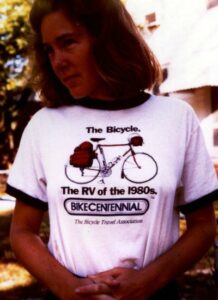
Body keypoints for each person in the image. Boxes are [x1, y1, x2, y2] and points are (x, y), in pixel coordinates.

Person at [7, 0, 218, 299]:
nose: (58, 61)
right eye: (49, 50)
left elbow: (203, 227)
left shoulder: (176, 118)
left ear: (107, 39)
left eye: (67, 43)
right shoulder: (44, 124)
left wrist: (148, 281)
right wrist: (68, 288)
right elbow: (22, 232)